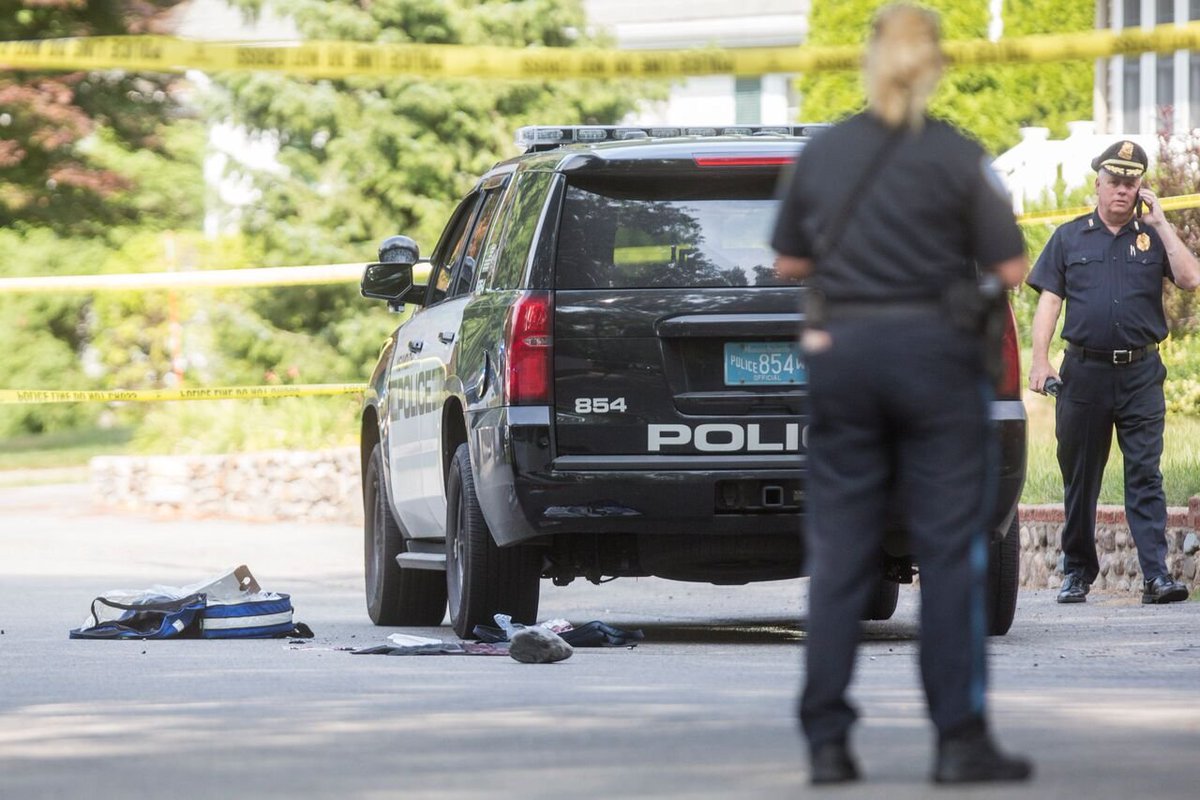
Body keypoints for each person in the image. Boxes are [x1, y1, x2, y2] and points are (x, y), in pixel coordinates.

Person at [771, 4, 1031, 786]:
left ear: (868, 61)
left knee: (840, 555)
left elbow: (788, 262)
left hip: (846, 359)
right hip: (936, 363)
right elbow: (1011, 267)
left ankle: (826, 742)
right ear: (935, 66)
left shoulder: (824, 153)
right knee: (949, 553)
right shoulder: (956, 156)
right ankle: (958, 741)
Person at [1027, 140, 1200, 605]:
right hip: (1084, 374)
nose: (1123, 189)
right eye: (1114, 181)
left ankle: (1156, 576)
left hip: (1141, 373)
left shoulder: (1152, 236)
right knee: (1081, 476)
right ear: (1098, 184)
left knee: (1145, 473)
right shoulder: (1070, 237)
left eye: (1131, 182)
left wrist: (1162, 223)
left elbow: (1191, 278)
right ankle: (1076, 572)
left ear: (1141, 186)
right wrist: (1040, 360)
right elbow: (1049, 301)